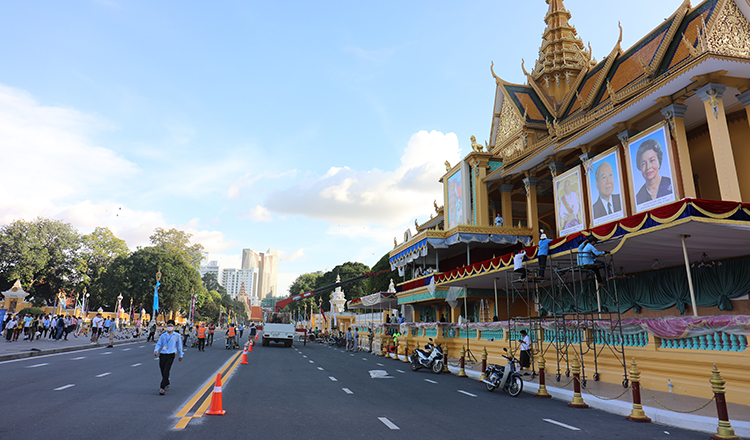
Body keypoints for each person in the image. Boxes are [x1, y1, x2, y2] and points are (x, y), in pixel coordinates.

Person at [635, 139, 673, 205]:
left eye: (652, 160)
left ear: (659, 162)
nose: (648, 167)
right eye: (643, 164)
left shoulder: (671, 185)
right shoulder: (638, 198)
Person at [154, 319, 184, 395]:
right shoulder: (163, 335)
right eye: (168, 326)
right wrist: (156, 350)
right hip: (163, 354)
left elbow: (179, 346)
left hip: (171, 354)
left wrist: (181, 355)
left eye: (171, 326)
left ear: (174, 327)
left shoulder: (177, 336)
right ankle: (166, 381)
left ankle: (162, 387)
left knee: (166, 370)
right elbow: (159, 344)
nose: (169, 327)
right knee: (162, 369)